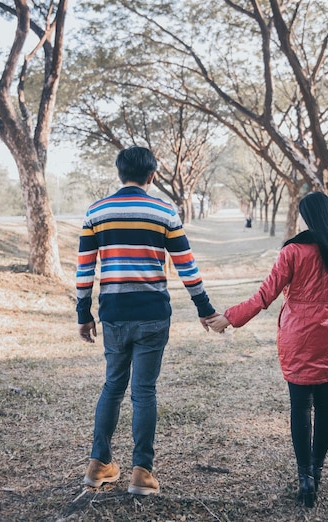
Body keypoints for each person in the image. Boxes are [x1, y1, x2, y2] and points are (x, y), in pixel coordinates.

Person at [76, 146, 217, 494]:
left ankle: (98, 465)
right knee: (144, 391)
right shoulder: (164, 211)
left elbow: (84, 270)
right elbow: (187, 265)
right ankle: (142, 472)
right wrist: (205, 308)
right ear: (152, 176)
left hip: (114, 314)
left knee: (112, 386)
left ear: (120, 173)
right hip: (153, 314)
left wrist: (84, 314)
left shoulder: (96, 211)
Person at [207, 192, 328, 508]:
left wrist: (229, 318)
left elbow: (264, 296)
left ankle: (304, 479)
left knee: (300, 407)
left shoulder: (292, 252)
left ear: (308, 217)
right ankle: (316, 471)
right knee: (326, 405)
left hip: (297, 336)